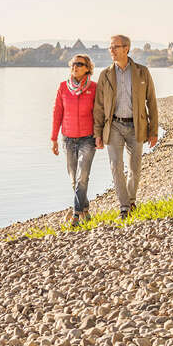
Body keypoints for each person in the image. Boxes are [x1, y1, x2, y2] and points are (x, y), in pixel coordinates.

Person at [94, 34, 159, 216]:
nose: (112, 50)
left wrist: (153, 131)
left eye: (115, 47)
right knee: (116, 165)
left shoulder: (142, 72)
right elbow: (99, 106)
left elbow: (151, 102)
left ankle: (131, 201)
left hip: (136, 126)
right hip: (113, 126)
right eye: (110, 47)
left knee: (135, 166)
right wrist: (97, 134)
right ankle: (124, 207)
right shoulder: (105, 74)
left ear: (126, 49)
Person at [51, 54, 98, 226]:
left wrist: (99, 136)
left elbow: (98, 115)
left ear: (87, 68)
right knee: (74, 179)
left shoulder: (94, 88)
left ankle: (76, 215)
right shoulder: (63, 87)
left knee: (82, 177)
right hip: (68, 139)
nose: (75, 67)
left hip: (88, 139)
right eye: (73, 64)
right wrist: (53, 138)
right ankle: (85, 209)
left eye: (80, 64)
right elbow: (57, 113)